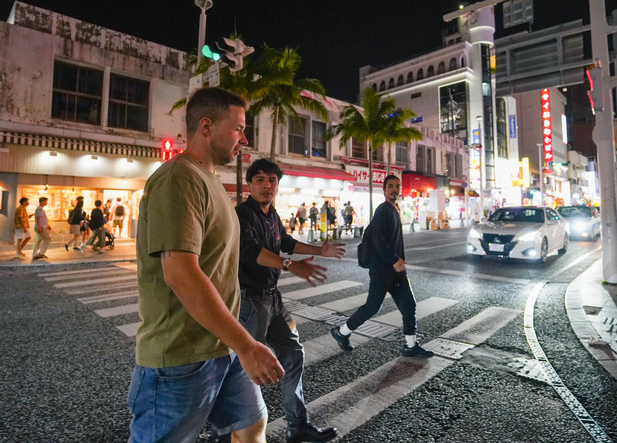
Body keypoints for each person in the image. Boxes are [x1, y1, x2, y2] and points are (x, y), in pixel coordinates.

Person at [127, 87, 283, 443]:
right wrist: (247, 345)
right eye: (238, 128)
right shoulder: (178, 179)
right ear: (207, 127)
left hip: (222, 344)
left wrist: (238, 344)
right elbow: (181, 273)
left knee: (252, 425)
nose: (245, 139)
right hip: (181, 355)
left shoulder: (210, 180)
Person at [236, 159, 343, 443]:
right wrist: (290, 265)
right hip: (250, 301)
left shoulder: (272, 215)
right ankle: (227, 431)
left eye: (272, 180)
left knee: (294, 354)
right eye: (260, 180)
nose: (266, 185)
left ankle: (297, 427)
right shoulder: (242, 215)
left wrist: (319, 250)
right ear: (249, 184)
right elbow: (250, 251)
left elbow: (286, 241)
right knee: (244, 368)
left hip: (274, 300)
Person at [331, 175, 434, 358]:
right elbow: (378, 240)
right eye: (391, 186)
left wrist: (399, 262)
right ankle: (342, 332)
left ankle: (411, 346)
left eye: (397, 186)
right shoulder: (383, 210)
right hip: (382, 270)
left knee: (409, 305)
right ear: (384, 190)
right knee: (372, 307)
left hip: (396, 271)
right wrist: (394, 260)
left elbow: (395, 241)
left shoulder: (394, 209)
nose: (394, 189)